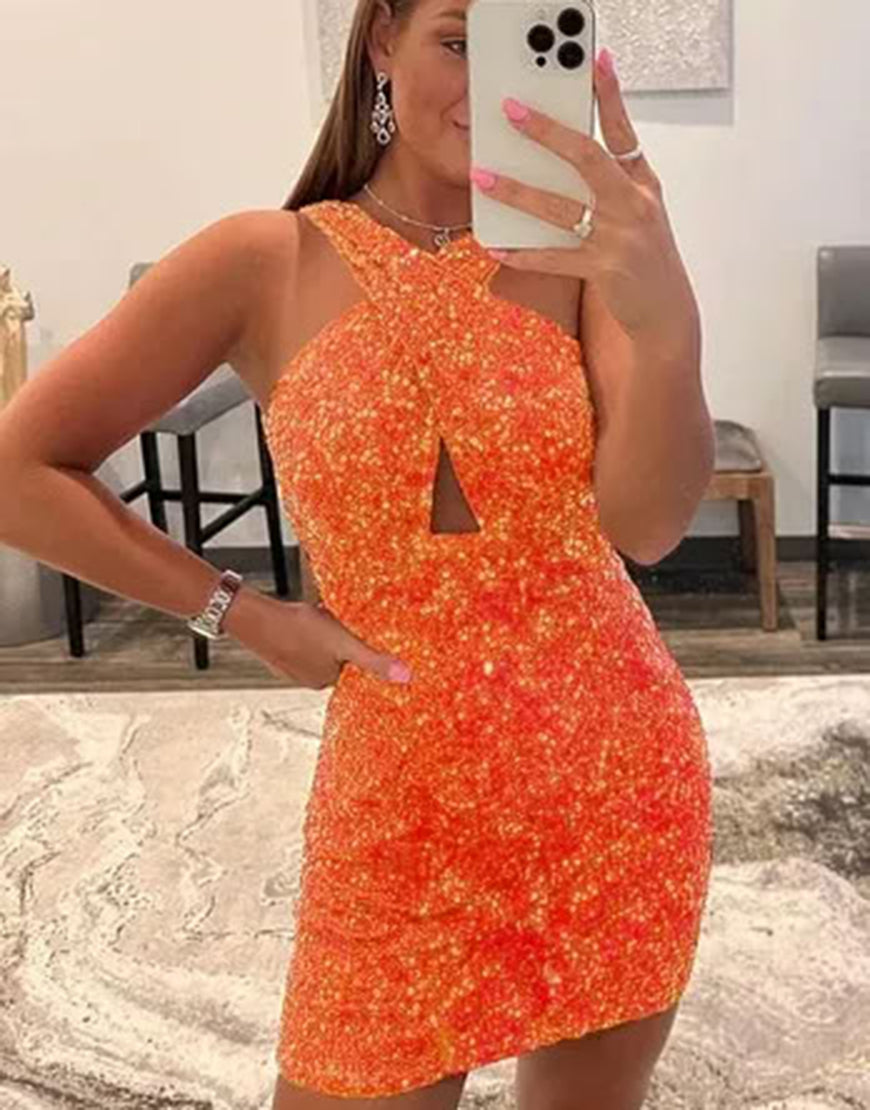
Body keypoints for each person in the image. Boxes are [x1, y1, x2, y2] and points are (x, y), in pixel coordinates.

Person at [0, 1, 717, 1108]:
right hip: (399, 802)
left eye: (523, 48)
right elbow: (19, 469)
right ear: (381, 37)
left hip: (611, 776)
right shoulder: (265, 261)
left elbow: (648, 525)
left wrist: (668, 329)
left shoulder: (586, 257)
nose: (490, 87)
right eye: (456, 41)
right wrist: (238, 612)